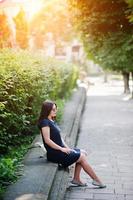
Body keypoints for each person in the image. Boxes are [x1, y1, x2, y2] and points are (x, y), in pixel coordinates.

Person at [38, 100, 106, 188]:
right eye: (53, 110)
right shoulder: (45, 122)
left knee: (83, 152)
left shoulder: (51, 120)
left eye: (56, 108)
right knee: (81, 156)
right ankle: (96, 180)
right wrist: (62, 149)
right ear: (47, 110)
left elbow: (60, 138)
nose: (56, 111)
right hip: (55, 154)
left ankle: (76, 179)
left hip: (60, 150)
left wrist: (68, 148)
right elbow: (47, 140)